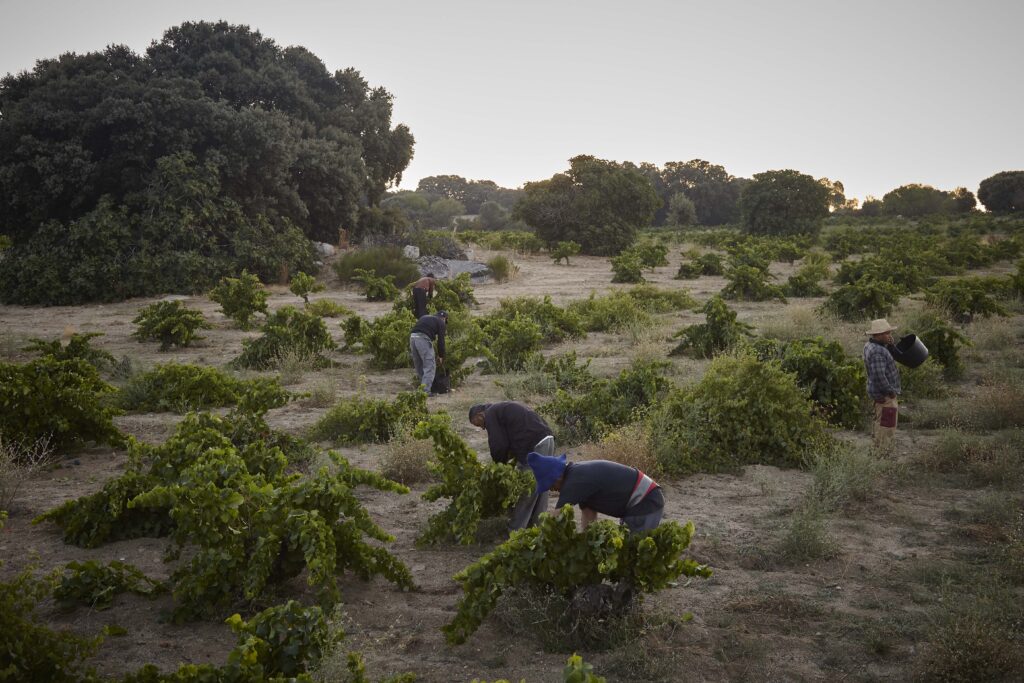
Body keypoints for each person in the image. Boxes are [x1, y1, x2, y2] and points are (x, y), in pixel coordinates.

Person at [468, 402, 556, 530]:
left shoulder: (491, 413)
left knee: (527, 487)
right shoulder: (502, 409)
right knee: (542, 485)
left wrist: (499, 467)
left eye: (479, 424)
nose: (483, 428)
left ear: (480, 414)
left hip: (535, 444)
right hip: (548, 439)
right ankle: (537, 526)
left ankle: (515, 530)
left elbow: (498, 444)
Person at [527, 453, 664, 533]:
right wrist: (585, 542)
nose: (551, 490)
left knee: (636, 553)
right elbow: (589, 513)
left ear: (557, 477)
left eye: (550, 485)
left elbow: (555, 518)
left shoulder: (575, 482)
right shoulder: (578, 476)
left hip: (646, 501)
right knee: (629, 552)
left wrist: (537, 541)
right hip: (638, 503)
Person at [863, 318, 901, 450]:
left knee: (880, 421)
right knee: (887, 424)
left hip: (878, 392)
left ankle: (877, 449)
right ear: (878, 335)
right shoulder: (878, 351)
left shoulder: (872, 346)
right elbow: (879, 376)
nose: (889, 336)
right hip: (884, 394)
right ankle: (882, 453)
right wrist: (889, 392)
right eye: (886, 333)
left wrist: (890, 345)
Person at [409, 310, 447, 396]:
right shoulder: (441, 322)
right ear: (444, 319)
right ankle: (425, 392)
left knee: (420, 365)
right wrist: (441, 356)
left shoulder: (426, 317)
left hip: (412, 338)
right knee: (430, 365)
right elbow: (441, 341)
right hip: (423, 338)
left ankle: (422, 389)